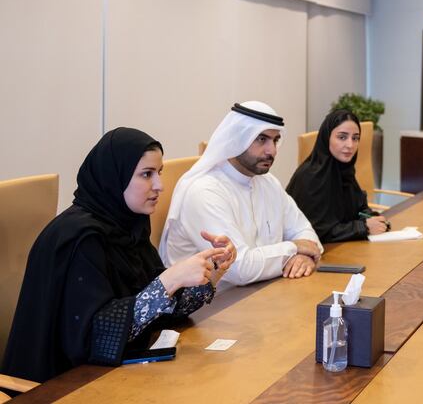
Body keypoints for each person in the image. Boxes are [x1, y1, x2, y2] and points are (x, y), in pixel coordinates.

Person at [1, 128, 236, 382]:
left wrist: (209, 275)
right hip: (61, 385)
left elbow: (159, 314)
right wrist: (168, 282)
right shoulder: (80, 239)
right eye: (146, 174)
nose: (160, 185)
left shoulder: (128, 227)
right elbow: (93, 340)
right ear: (115, 177)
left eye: (159, 173)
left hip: (117, 376)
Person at [160, 101, 323, 291]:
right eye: (261, 139)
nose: (272, 151)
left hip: (264, 293)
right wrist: (294, 248)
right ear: (237, 138)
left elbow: (308, 237)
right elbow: (239, 269)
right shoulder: (205, 190)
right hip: (211, 309)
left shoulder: (268, 183)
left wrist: (303, 257)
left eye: (275, 140)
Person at [286, 109, 388, 242]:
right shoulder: (310, 177)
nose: (350, 145)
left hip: (343, 250)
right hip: (313, 255)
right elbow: (318, 231)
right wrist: (364, 227)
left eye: (355, 138)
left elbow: (358, 209)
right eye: (342, 137)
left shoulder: (344, 169)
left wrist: (371, 218)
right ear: (327, 137)